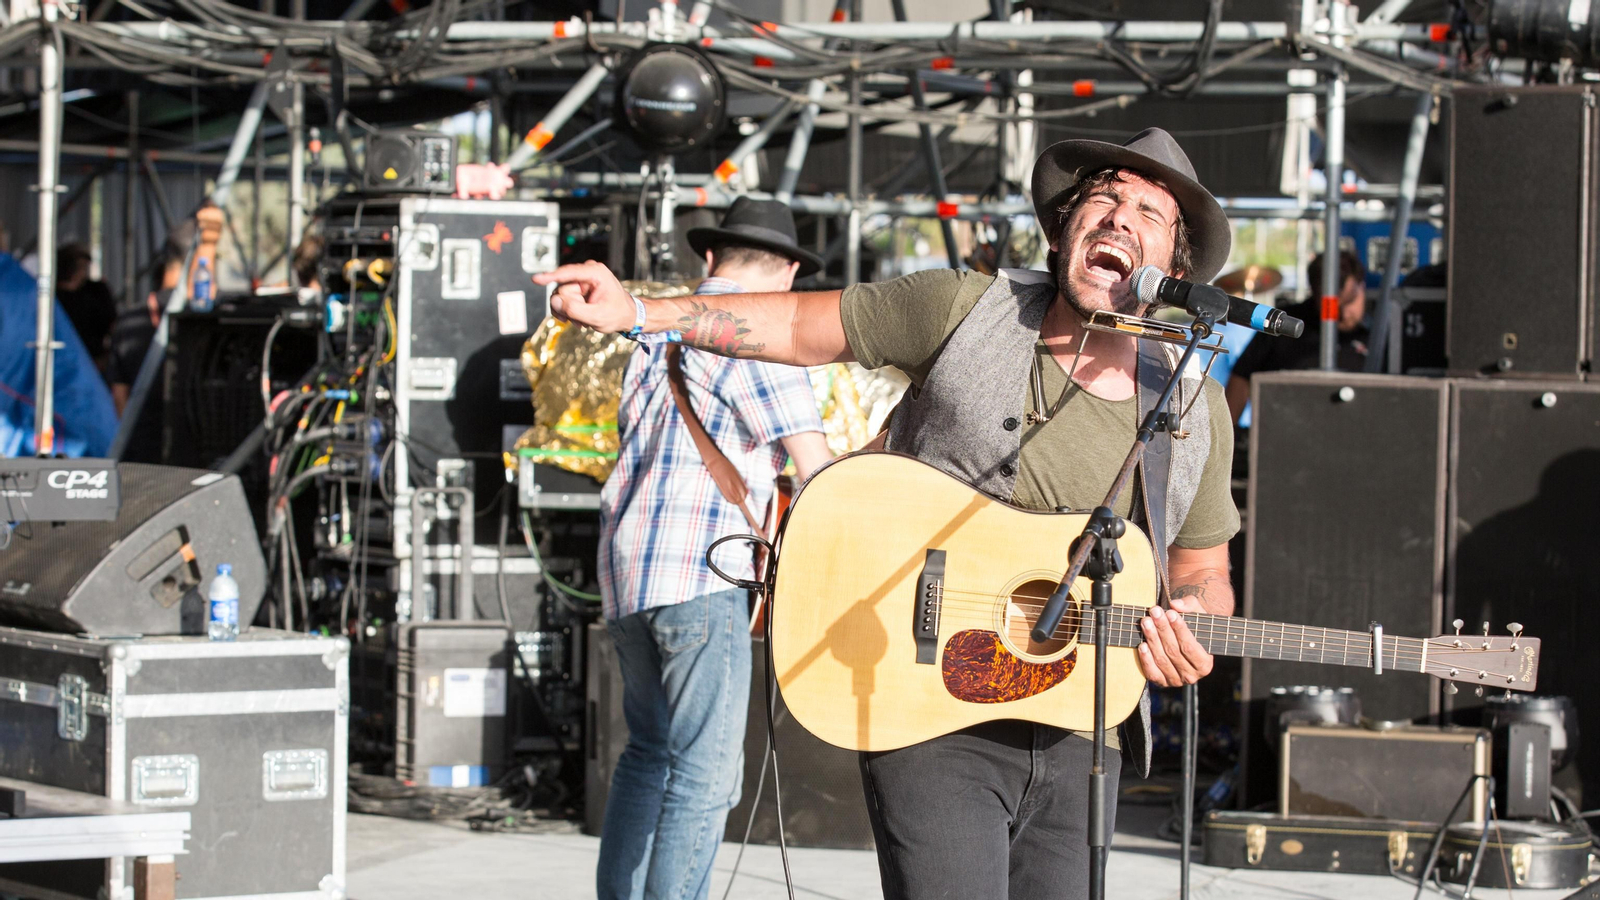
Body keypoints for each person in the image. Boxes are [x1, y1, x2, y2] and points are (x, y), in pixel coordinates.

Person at [535, 128, 1239, 900]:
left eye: (1146, 209)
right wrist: (639, 308)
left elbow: (1202, 569)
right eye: (1101, 197)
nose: (1116, 217)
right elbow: (800, 327)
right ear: (1063, 225)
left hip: (1082, 724)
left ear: (1172, 266)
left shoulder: (1190, 405)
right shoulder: (965, 310)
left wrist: (1193, 624)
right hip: (925, 702)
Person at [589, 197, 833, 900]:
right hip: (701, 574)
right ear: (786, 275)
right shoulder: (759, 340)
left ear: (708, 258)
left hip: (629, 575)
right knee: (705, 775)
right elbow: (816, 471)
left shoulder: (654, 335)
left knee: (648, 755)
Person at [0, 245, 118, 457]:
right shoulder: (27, 291)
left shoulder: (25, 290)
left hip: (68, 381)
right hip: (66, 382)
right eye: (81, 267)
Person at [1224, 250, 1368, 423]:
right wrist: (1229, 438)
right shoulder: (1284, 325)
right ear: (1315, 295)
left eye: (1350, 301)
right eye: (1334, 306)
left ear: (1363, 287)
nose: (1345, 314)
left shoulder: (1377, 334)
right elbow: (1241, 376)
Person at [56, 242, 118, 378]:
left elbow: (113, 326)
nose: (82, 271)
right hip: (62, 363)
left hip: (93, 363)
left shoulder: (96, 291)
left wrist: (107, 358)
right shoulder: (51, 297)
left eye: (84, 267)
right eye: (79, 267)